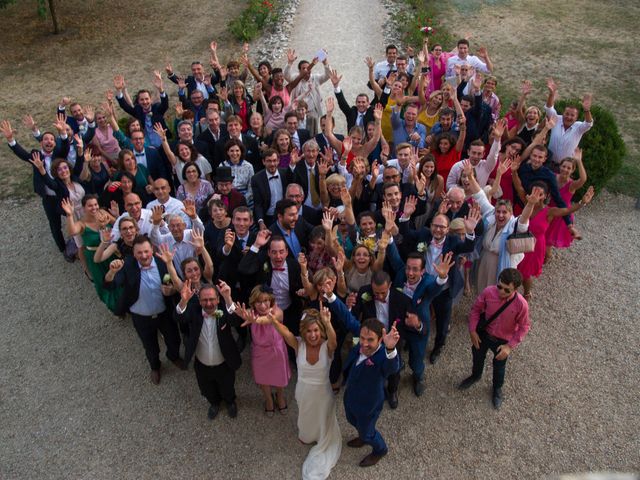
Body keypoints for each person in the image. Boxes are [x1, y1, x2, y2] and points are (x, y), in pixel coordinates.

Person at [256, 303, 341, 479]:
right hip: (303, 390)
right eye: (309, 331)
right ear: (304, 332)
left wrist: (327, 322)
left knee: (323, 416)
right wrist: (272, 321)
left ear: (321, 330)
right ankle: (307, 435)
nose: (313, 335)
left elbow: (334, 340)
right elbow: (285, 332)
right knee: (305, 415)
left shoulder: (327, 346)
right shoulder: (298, 344)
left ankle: (321, 435)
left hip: (323, 392)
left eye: (316, 330)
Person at [324, 293, 401, 467]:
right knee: (352, 419)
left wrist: (390, 349)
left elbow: (393, 368)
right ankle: (361, 434)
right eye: (363, 338)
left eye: (370, 340)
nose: (364, 344)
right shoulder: (363, 333)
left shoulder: (383, 356)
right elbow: (346, 316)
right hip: (352, 396)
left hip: (369, 404)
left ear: (381, 339)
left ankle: (379, 449)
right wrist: (331, 296)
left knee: (368, 433)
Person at [104, 236, 185, 384]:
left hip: (164, 313)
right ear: (134, 254)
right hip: (142, 317)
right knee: (150, 346)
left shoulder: (163, 262)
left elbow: (177, 283)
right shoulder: (127, 265)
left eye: (146, 251)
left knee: (174, 340)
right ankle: (155, 366)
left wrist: (172, 290)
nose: (144, 255)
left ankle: (173, 357)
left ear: (152, 250)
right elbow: (111, 286)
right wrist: (111, 272)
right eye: (139, 253)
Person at [458, 268, 530, 409]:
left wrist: (509, 347)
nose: (501, 291)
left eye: (506, 290)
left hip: (502, 341)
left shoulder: (521, 305)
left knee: (499, 367)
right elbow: (476, 310)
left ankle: (497, 388)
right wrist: (472, 330)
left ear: (515, 289)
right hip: (484, 334)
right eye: (499, 286)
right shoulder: (488, 292)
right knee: (477, 357)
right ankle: (475, 375)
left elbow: (524, 326)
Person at [2, 117, 70, 255]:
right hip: (48, 198)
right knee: (55, 226)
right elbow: (22, 154)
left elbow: (66, 146)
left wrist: (63, 133)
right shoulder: (36, 155)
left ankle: (78, 243)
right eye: (46, 139)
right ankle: (63, 249)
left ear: (54, 143)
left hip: (63, 195)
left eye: (52, 139)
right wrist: (11, 140)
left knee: (72, 218)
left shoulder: (59, 154)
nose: (49, 141)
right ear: (41, 143)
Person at [175, 280, 242, 420]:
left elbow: (236, 321)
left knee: (228, 387)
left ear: (218, 299)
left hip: (224, 363)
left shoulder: (223, 312)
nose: (209, 303)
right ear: (199, 301)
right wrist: (183, 301)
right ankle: (214, 403)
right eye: (204, 300)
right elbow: (179, 317)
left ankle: (230, 402)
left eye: (212, 299)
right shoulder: (194, 313)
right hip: (202, 365)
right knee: (207, 389)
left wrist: (228, 298)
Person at [234, 286, 291, 416]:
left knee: (279, 376)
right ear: (253, 303)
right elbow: (238, 311)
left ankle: (280, 396)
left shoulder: (277, 312)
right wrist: (227, 297)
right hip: (259, 352)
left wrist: (255, 320)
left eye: (266, 301)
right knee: (263, 379)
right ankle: (269, 399)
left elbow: (267, 320)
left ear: (271, 301)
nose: (263, 305)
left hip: (277, 351)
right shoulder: (250, 313)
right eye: (259, 302)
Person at [62, 195, 121, 311]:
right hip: (95, 258)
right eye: (90, 205)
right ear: (84, 208)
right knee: (102, 282)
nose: (94, 208)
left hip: (110, 253)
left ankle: (123, 302)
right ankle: (114, 306)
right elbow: (71, 231)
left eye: (95, 204)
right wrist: (69, 215)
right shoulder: (82, 223)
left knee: (118, 278)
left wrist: (115, 216)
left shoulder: (103, 213)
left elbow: (118, 225)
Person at [545, 149, 588, 261]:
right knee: (543, 237)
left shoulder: (571, 185)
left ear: (572, 170)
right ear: (560, 166)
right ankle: (544, 256)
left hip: (563, 215)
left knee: (548, 241)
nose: (565, 169)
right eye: (564, 166)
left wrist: (579, 161)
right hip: (550, 210)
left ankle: (546, 257)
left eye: (569, 168)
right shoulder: (553, 176)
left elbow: (583, 179)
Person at [544, 78, 593, 166]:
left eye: (572, 115)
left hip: (566, 168)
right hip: (548, 163)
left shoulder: (578, 127)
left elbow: (588, 123)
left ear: (576, 117)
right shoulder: (556, 119)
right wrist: (551, 94)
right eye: (567, 114)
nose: (568, 117)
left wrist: (587, 110)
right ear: (563, 113)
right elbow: (549, 108)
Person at [113, 72, 169, 148]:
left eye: (146, 99)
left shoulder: (157, 108)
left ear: (151, 100)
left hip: (162, 145)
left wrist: (161, 89)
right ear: (138, 102)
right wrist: (119, 91)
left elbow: (165, 104)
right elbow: (125, 106)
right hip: (147, 147)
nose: (145, 102)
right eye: (142, 100)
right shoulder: (137, 110)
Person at [251, 149, 290, 228]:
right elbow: (258, 204)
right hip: (268, 217)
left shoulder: (286, 173)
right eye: (269, 161)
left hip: (284, 215)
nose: (272, 164)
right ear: (263, 162)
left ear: (278, 161)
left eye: (274, 160)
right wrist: (261, 221)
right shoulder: (256, 179)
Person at [221, 138, 254, 206]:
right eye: (232, 151)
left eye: (237, 150)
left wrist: (242, 199)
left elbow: (251, 187)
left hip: (245, 198)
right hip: (228, 197)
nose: (234, 153)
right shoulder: (222, 165)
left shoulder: (248, 166)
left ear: (241, 152)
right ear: (228, 152)